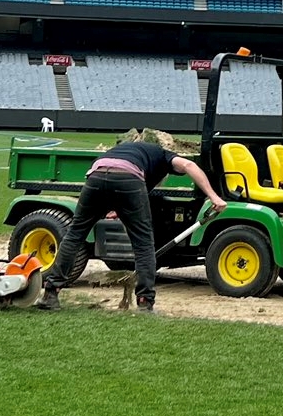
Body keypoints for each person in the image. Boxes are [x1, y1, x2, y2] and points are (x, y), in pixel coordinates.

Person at [39, 134, 231, 313]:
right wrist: (214, 197)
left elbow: (111, 179)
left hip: (96, 175)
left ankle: (50, 294)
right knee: (143, 244)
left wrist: (115, 206)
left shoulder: (128, 151)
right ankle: (145, 302)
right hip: (128, 177)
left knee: (74, 234)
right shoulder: (164, 156)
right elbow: (189, 165)